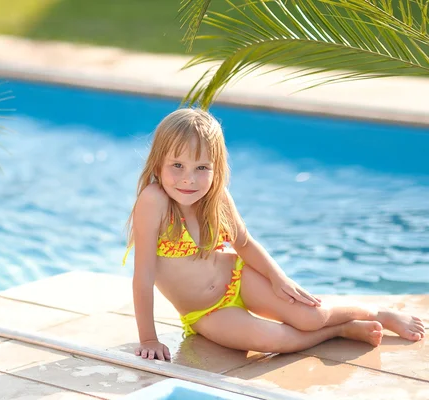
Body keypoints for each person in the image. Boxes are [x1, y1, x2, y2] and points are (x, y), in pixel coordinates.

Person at [123, 108, 425, 361]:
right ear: (158, 163)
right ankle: (341, 330)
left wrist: (280, 279)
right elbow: (144, 276)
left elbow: (244, 243)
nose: (188, 179)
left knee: (310, 317)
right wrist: (148, 338)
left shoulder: (216, 197)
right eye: (177, 165)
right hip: (206, 311)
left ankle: (380, 313)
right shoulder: (154, 201)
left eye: (202, 167)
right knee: (274, 341)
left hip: (240, 278)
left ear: (216, 169)